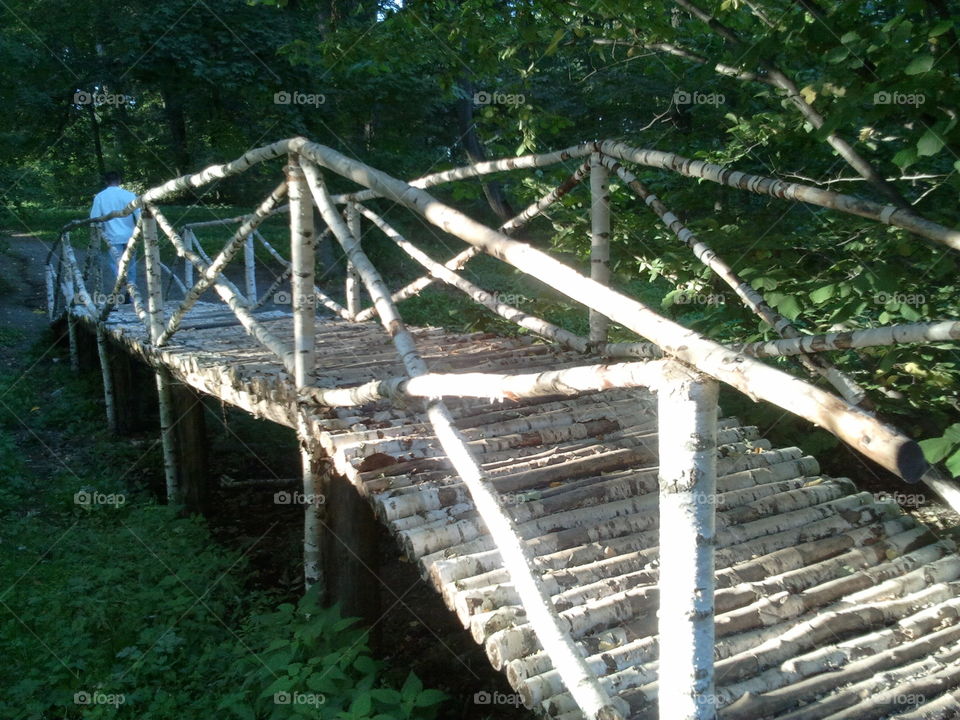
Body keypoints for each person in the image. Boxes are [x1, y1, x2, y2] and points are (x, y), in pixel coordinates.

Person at [90, 170, 139, 295]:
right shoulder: (129, 195)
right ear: (119, 181)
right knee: (131, 263)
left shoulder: (100, 197)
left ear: (106, 182)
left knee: (116, 264)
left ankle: (119, 289)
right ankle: (132, 292)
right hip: (130, 235)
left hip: (112, 235)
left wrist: (97, 233)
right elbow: (139, 215)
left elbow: (95, 218)